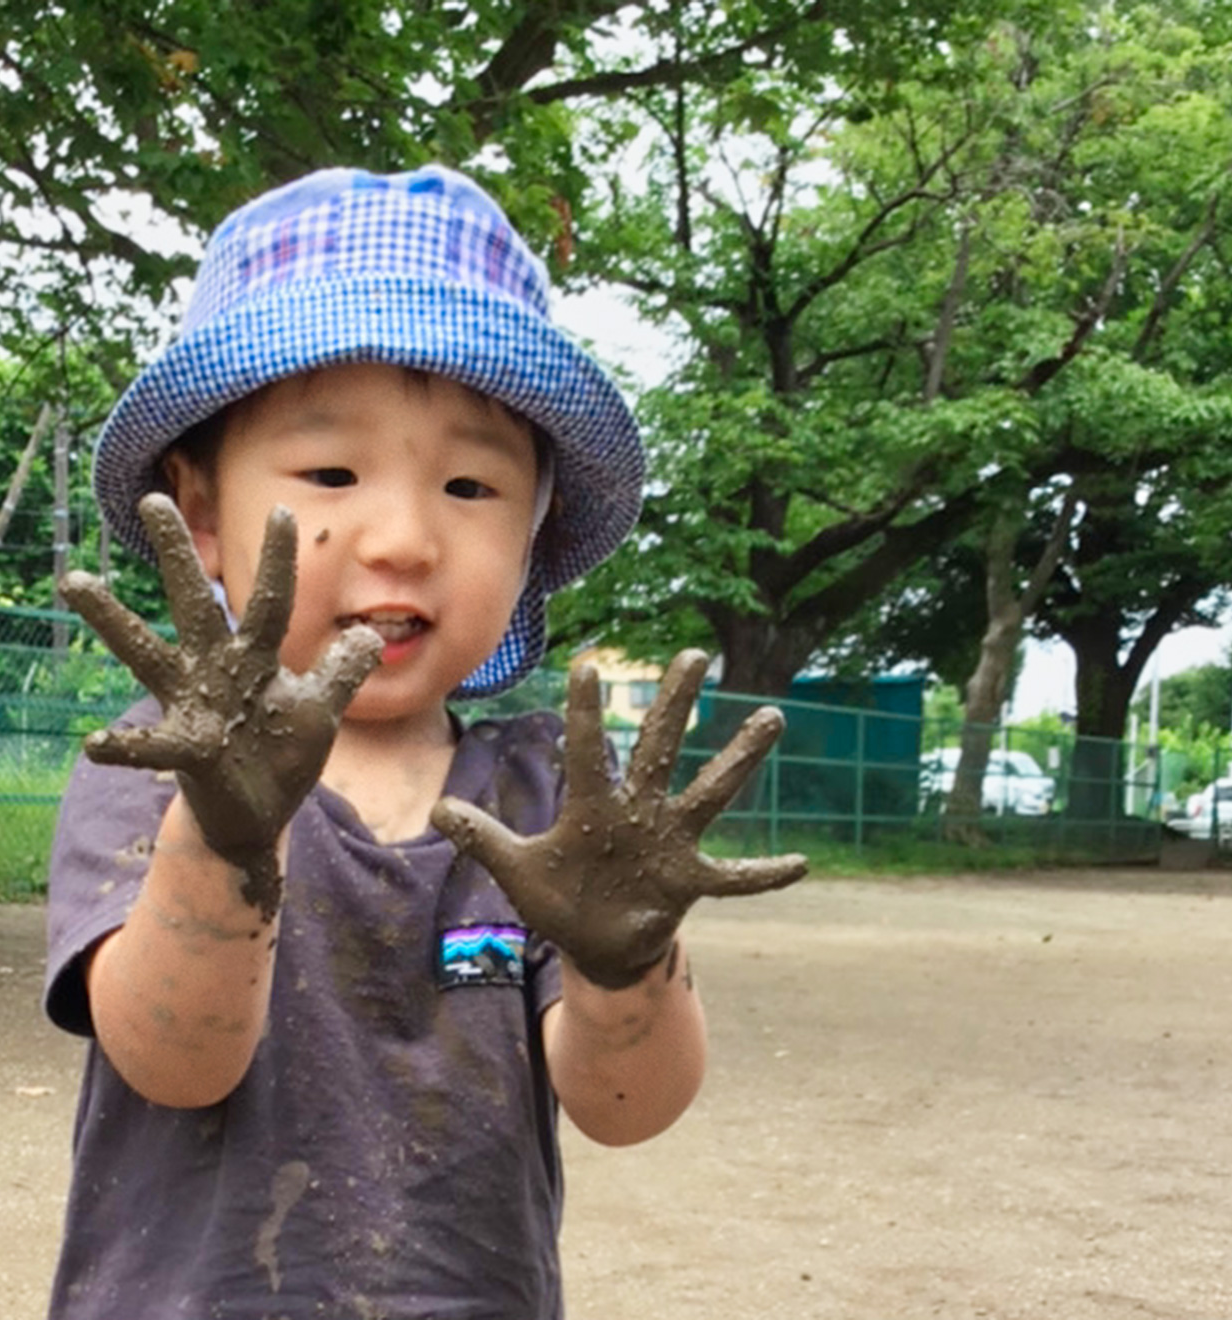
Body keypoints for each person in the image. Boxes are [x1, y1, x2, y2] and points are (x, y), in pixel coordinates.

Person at [42, 164, 807, 1319]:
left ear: (537, 525)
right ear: (199, 508)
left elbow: (627, 1107)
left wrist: (625, 959)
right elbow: (175, 1060)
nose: (403, 537)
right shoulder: (159, 768)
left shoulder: (546, 793)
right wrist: (225, 835)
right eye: (332, 471)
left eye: (468, 483)